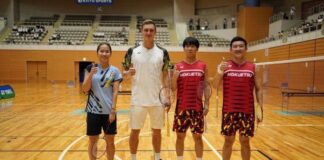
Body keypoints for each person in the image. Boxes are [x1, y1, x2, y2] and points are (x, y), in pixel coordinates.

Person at [123, 19, 171, 160]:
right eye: (146, 30)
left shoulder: (163, 52)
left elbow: (166, 75)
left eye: (151, 30)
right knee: (135, 132)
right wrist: (127, 73)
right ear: (141, 32)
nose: (148, 32)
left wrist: (167, 95)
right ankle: (133, 158)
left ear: (155, 32)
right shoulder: (132, 51)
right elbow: (124, 74)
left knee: (157, 132)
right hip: (138, 99)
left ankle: (157, 157)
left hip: (157, 100)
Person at [214, 36, 263, 160]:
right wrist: (219, 72)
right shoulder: (225, 66)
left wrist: (260, 108)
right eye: (235, 46)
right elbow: (215, 85)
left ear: (246, 49)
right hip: (229, 110)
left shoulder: (253, 67)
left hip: (247, 111)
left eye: (241, 46)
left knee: (245, 141)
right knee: (228, 140)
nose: (238, 48)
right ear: (231, 49)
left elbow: (259, 88)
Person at [82, 42, 123, 160]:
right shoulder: (90, 68)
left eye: (107, 51)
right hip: (93, 111)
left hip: (109, 112)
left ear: (110, 54)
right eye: (102, 51)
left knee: (110, 141)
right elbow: (85, 89)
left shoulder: (114, 71)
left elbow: (115, 92)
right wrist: (91, 75)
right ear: (97, 53)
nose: (104, 53)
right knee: (93, 141)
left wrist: (113, 110)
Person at [171, 37, 209, 160]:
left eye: (192, 46)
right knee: (180, 136)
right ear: (184, 48)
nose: (190, 48)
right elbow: (172, 88)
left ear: (197, 48)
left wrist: (207, 103)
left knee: (198, 137)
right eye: (187, 46)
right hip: (182, 107)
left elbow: (206, 86)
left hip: (197, 108)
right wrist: (175, 77)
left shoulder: (203, 65)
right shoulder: (178, 66)